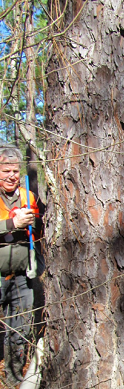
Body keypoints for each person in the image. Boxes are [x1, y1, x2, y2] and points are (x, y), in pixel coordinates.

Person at [0, 145, 44, 385]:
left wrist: (34, 221)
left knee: (20, 329)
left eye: (15, 170)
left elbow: (41, 227)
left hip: (23, 275)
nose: (11, 176)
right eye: (6, 170)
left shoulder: (28, 194)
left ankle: (13, 378)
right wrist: (10, 223)